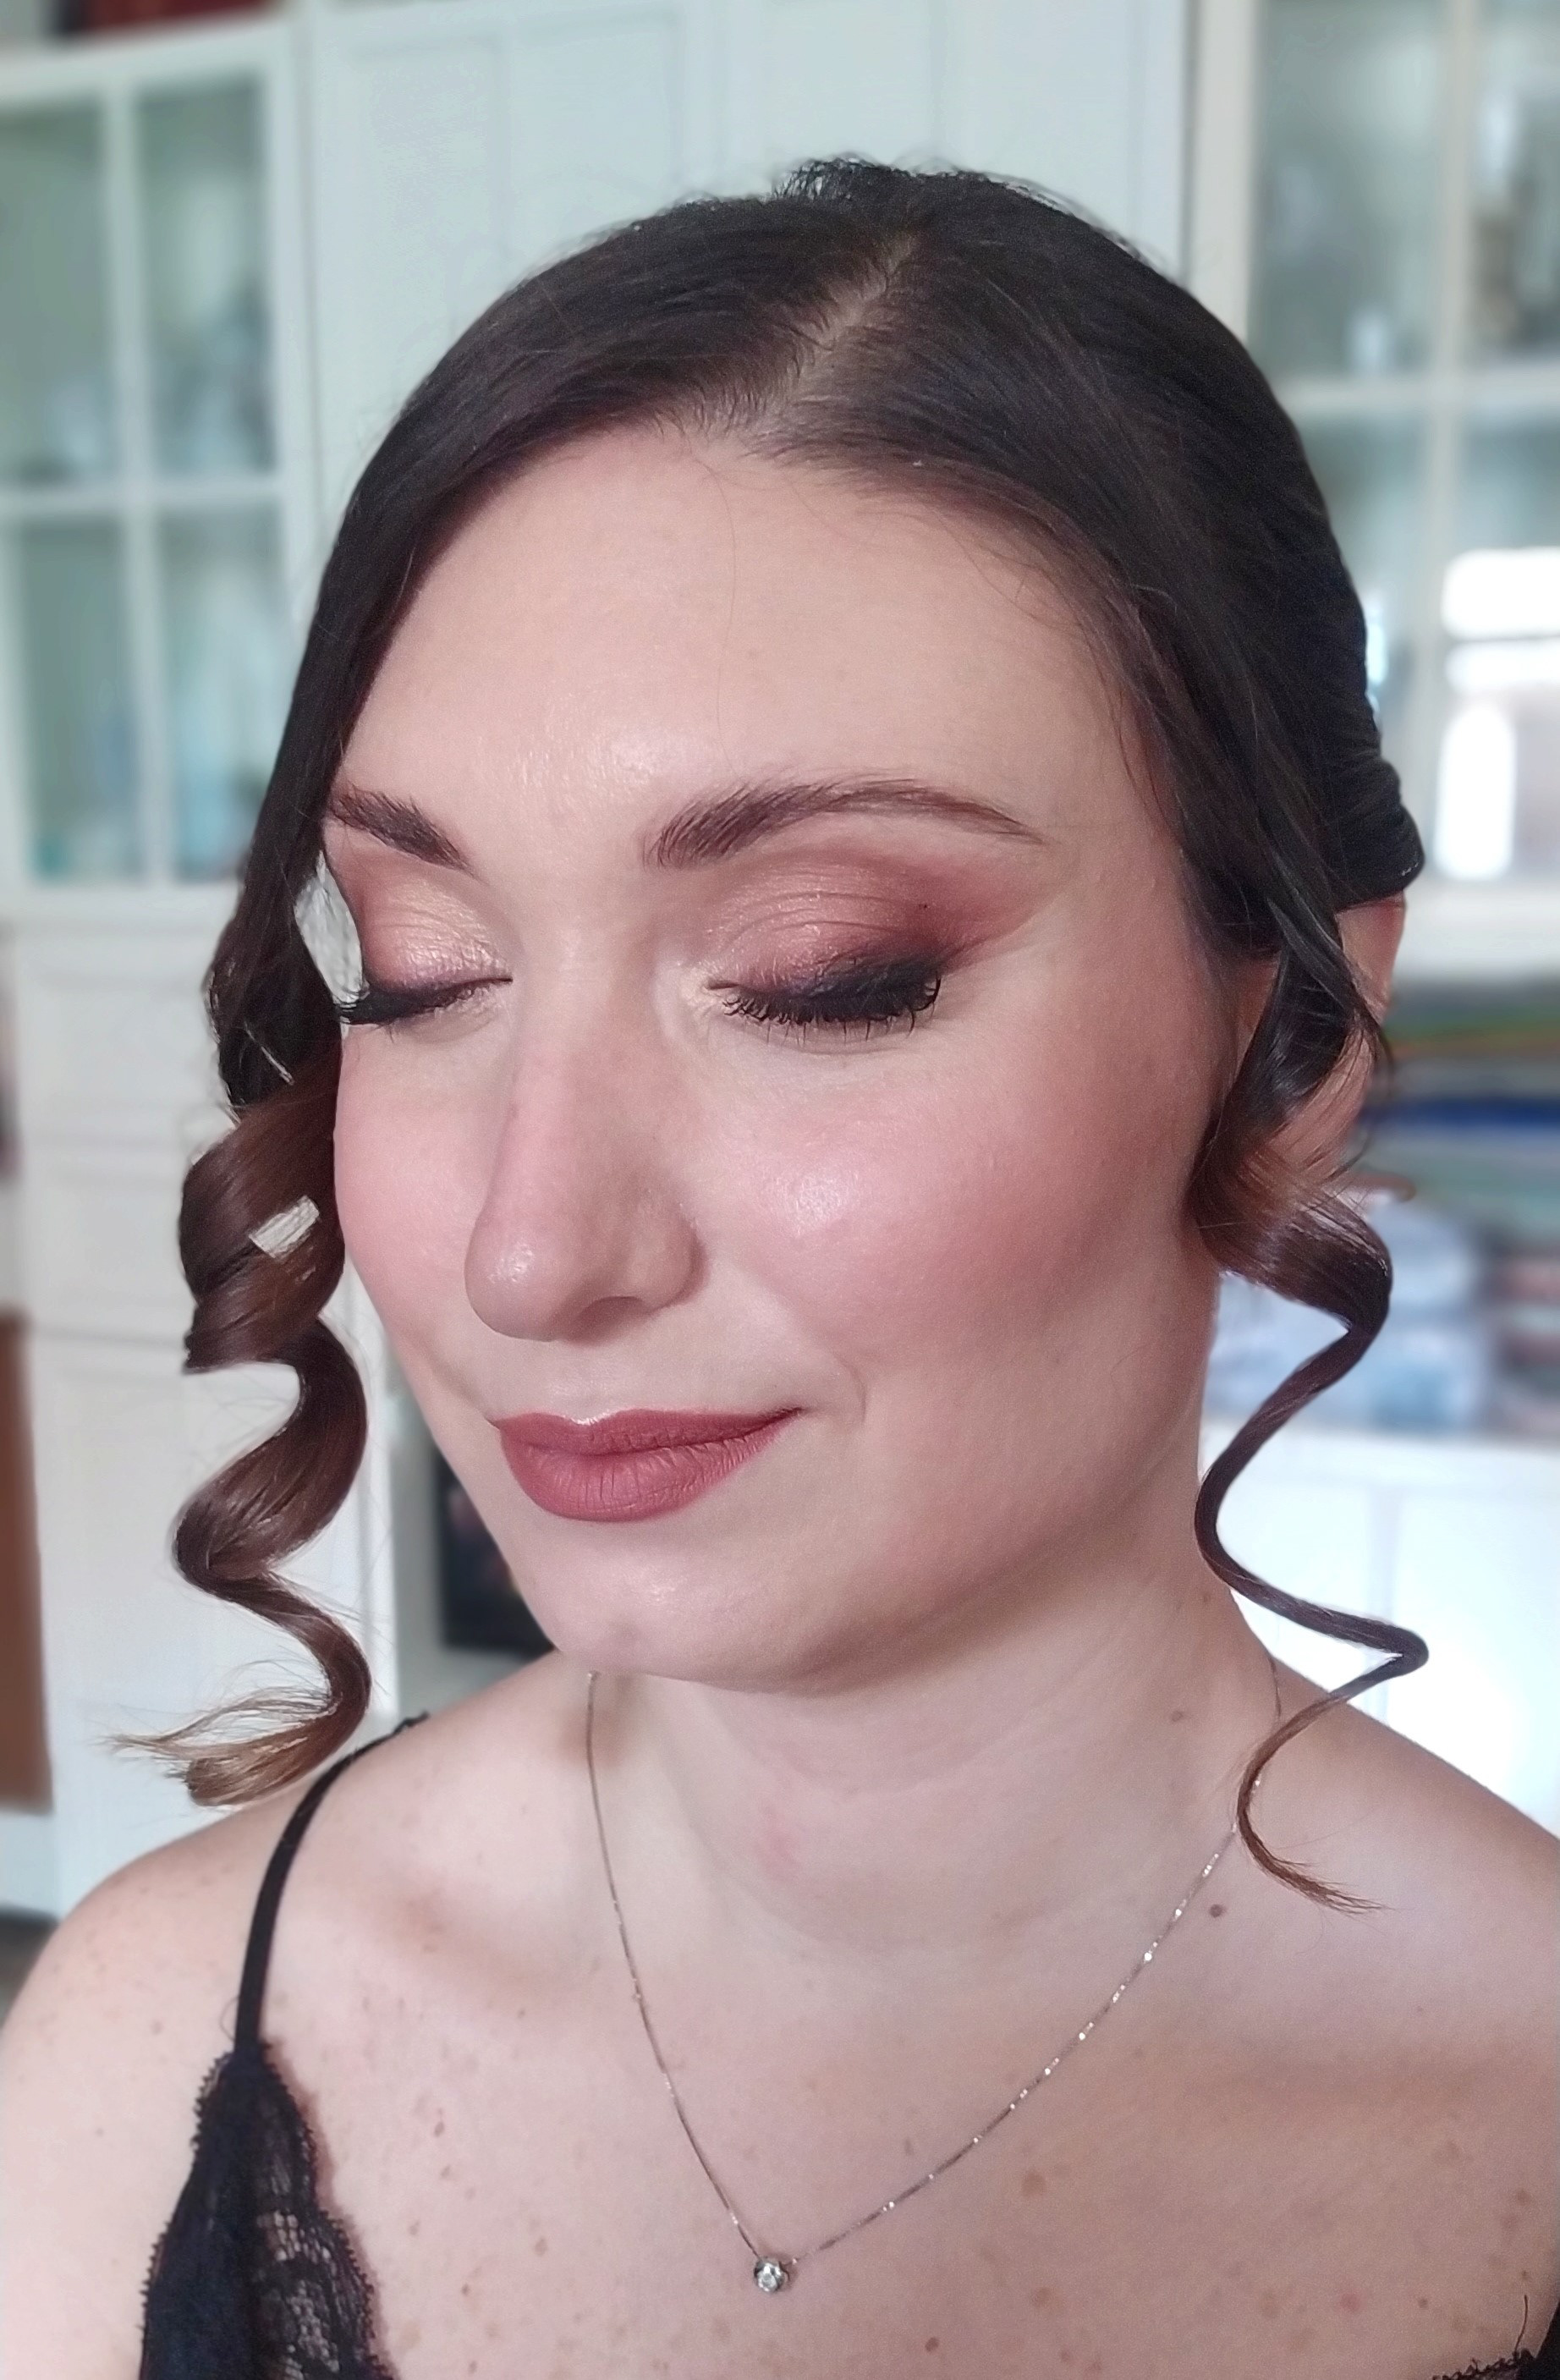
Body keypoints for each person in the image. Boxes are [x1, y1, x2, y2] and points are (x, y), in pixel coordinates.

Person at [2, 161, 1555, 2380]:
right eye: (422, 973)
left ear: (1296, 1037)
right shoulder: (138, 2048)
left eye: (823, 978)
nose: (531, 1249)